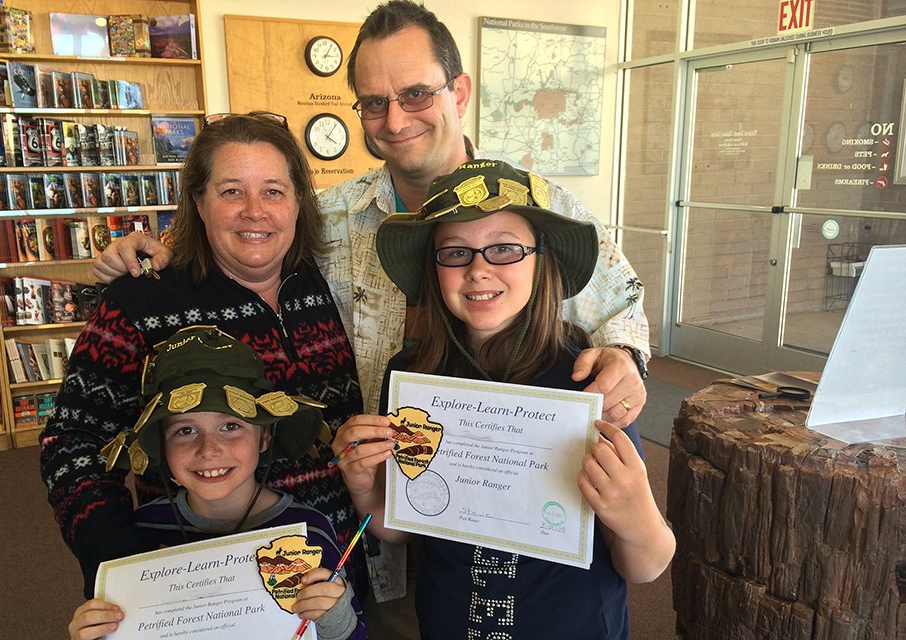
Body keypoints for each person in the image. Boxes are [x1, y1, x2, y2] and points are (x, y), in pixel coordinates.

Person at [93, 0, 649, 431]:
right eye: (374, 102)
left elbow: (621, 301)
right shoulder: (331, 214)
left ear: (459, 93)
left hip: (498, 489)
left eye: (415, 94)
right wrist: (155, 248)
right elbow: (245, 229)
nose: (395, 119)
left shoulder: (542, 207)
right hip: (370, 500)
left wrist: (625, 359)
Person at [332, 160, 675, 637]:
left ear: (543, 260)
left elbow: (647, 566)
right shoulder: (412, 377)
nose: (477, 270)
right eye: (455, 253)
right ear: (433, 269)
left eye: (505, 249)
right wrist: (364, 486)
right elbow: (402, 524)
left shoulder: (585, 381)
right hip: (451, 620)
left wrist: (636, 515)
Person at [39, 113, 369, 601]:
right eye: (232, 191)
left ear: (299, 201)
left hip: (329, 572)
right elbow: (71, 441)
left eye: (274, 191)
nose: (255, 211)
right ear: (199, 201)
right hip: (202, 582)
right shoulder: (143, 302)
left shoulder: (325, 281)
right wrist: (120, 561)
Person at [68, 326, 366, 640]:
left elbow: (355, 634)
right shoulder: (140, 534)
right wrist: (95, 631)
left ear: (264, 436)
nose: (209, 450)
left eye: (230, 425)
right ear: (162, 445)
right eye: (185, 430)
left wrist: (334, 617)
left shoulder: (310, 531)